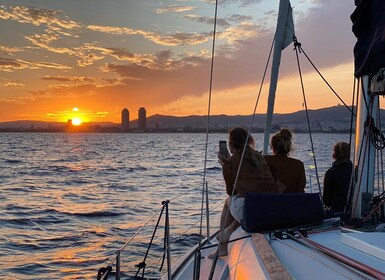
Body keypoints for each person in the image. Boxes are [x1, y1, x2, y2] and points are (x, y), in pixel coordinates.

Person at [210, 127, 285, 258]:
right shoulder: (259, 157)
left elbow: (231, 192)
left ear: (232, 145)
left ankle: (222, 247)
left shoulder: (232, 161)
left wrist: (225, 166)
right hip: (272, 204)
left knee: (229, 202)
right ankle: (230, 230)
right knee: (246, 201)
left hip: (252, 207)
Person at [264, 128, 306, 193]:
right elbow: (300, 191)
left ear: (272, 146)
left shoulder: (263, 161)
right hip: (290, 202)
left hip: (267, 202)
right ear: (289, 147)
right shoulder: (298, 165)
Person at [323, 142, 353, 212]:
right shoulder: (355, 171)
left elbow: (326, 200)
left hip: (336, 211)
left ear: (334, 155)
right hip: (351, 209)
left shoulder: (330, 173)